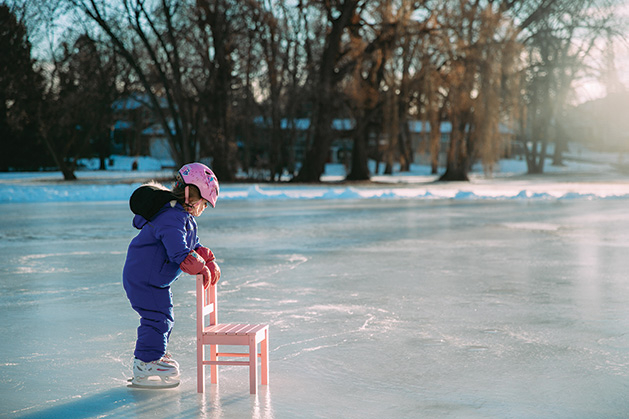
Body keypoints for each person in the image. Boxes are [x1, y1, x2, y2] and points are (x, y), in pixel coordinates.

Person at [123, 162, 221, 388]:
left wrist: (208, 258)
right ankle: (146, 363)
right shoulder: (171, 216)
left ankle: (154, 354)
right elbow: (179, 252)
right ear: (191, 195)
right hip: (144, 278)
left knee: (164, 317)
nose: (204, 208)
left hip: (153, 279)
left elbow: (192, 245)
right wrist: (200, 266)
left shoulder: (183, 217)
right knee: (157, 318)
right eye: (204, 203)